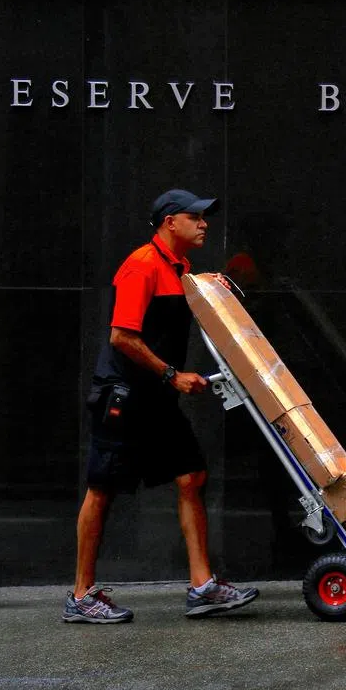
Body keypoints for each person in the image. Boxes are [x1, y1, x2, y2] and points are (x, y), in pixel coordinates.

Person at [63, 188, 259, 624]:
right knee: (102, 489)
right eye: (196, 216)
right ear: (170, 221)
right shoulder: (141, 266)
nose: (204, 223)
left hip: (156, 396)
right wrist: (173, 375)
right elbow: (122, 338)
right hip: (124, 396)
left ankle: (203, 586)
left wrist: (224, 283)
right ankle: (81, 595)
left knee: (192, 475)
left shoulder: (179, 268)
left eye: (205, 216)